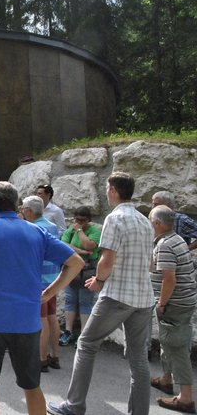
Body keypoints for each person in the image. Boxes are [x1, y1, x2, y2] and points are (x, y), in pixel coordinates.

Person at [0, 181, 84, 415]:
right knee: (31, 386)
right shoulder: (36, 231)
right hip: (27, 321)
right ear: (16, 203)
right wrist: (50, 291)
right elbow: (76, 262)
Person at [47, 172, 155, 415]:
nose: (106, 192)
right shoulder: (144, 220)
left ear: (114, 191)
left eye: (108, 188)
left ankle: (74, 406)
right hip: (143, 298)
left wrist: (99, 280)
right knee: (138, 359)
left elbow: (107, 259)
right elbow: (148, 261)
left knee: (86, 343)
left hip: (117, 294)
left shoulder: (115, 218)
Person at [148, 205, 196, 414]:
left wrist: (162, 304)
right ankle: (166, 380)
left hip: (173, 304)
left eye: (150, 220)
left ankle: (185, 398)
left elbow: (169, 279)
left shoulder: (166, 245)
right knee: (170, 343)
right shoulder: (176, 239)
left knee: (176, 347)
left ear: (157, 224)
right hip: (182, 303)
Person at [22, 195, 61, 373]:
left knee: (42, 319)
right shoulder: (52, 226)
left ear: (29, 211)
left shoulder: (31, 228)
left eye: (23, 209)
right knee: (52, 317)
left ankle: (41, 359)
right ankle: (54, 355)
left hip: (38, 279)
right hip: (52, 278)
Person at [58, 206, 101, 347]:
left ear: (89, 220)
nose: (79, 222)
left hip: (87, 270)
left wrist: (80, 231)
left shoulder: (94, 231)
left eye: (83, 220)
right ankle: (68, 331)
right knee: (70, 300)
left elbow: (90, 245)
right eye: (77, 219)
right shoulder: (70, 230)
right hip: (72, 269)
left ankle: (83, 334)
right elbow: (63, 245)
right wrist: (80, 250)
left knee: (85, 302)